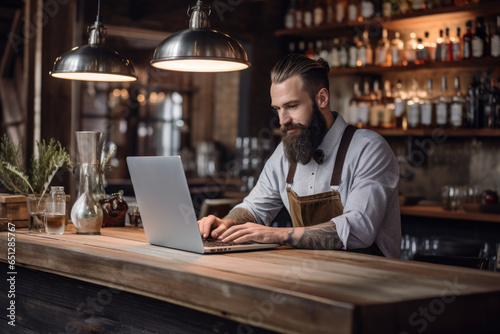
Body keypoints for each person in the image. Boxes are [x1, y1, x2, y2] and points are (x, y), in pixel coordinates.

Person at [197, 53, 401, 258]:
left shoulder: (369, 148)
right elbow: (254, 209)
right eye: (277, 108)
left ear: (322, 98)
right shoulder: (285, 154)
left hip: (369, 280)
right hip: (310, 276)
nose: (282, 120)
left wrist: (278, 235)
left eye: (292, 106)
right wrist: (226, 222)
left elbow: (359, 230)